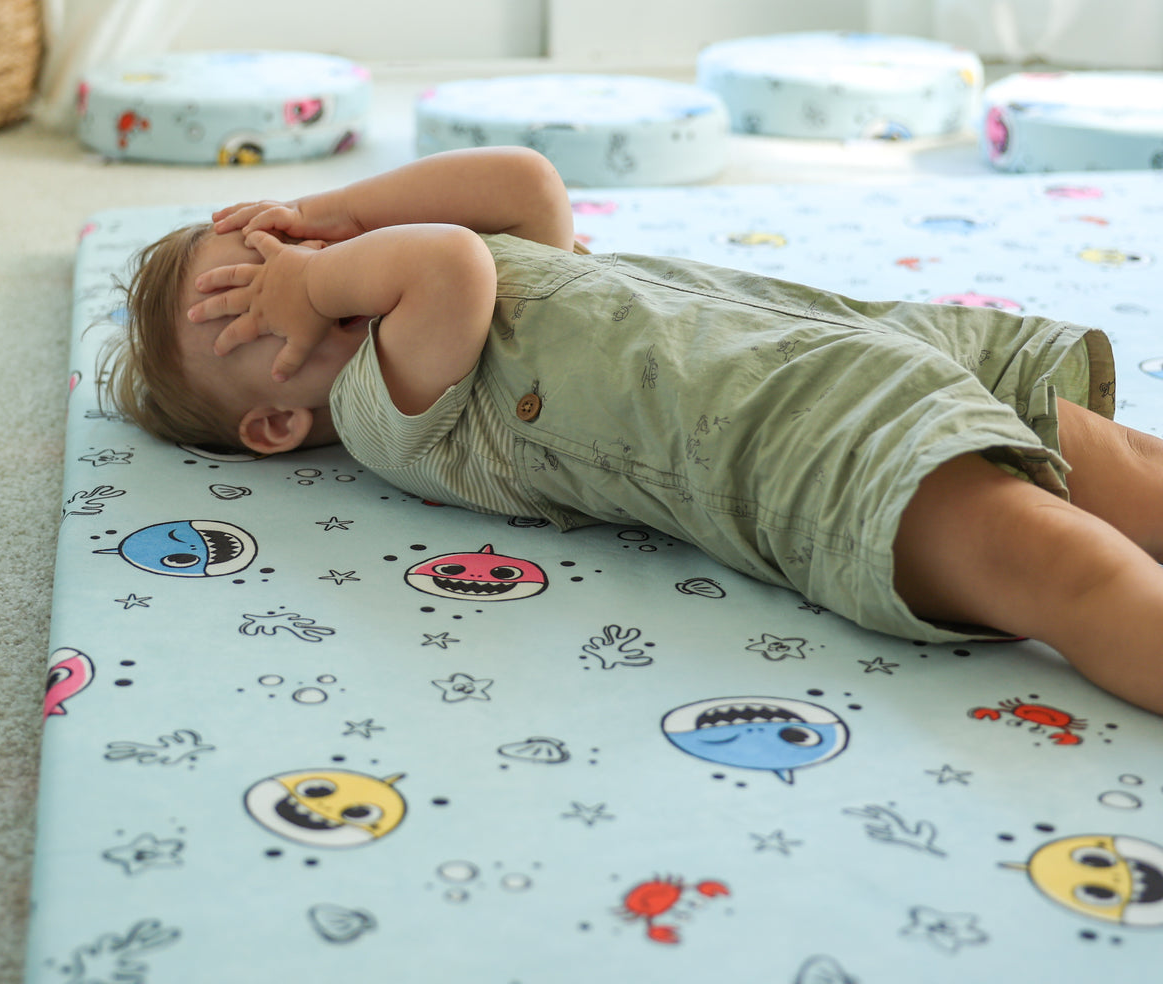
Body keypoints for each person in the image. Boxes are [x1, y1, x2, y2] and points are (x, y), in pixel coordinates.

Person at [100, 146, 1163, 716]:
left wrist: (332, 211)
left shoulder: (420, 263)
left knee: (1130, 472)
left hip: (862, 346)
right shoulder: (388, 413)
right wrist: (325, 277)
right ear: (276, 421)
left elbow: (524, 183)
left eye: (273, 252)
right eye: (247, 305)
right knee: (1072, 576)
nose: (289, 277)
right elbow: (447, 265)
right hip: (803, 447)